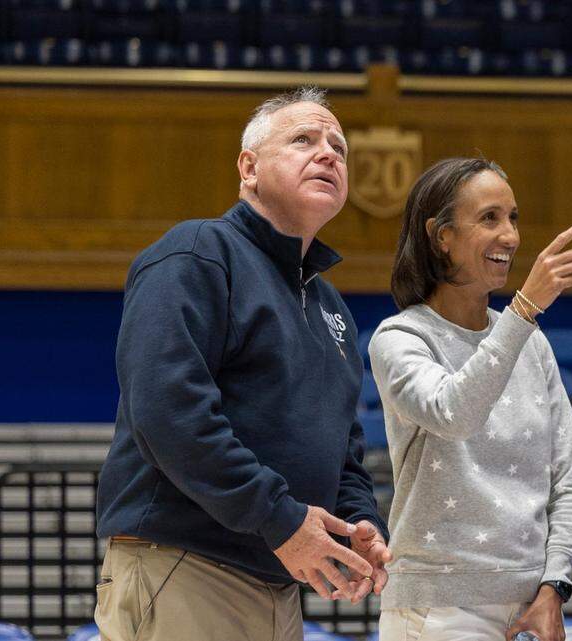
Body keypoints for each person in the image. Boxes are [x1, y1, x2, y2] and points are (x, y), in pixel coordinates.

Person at [95, 87, 390, 641]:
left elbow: (343, 448)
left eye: (339, 148)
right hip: (185, 566)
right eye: (304, 139)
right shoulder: (197, 253)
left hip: (277, 582)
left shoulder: (332, 308)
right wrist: (281, 518)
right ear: (249, 168)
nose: (329, 154)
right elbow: (169, 413)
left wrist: (358, 524)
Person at [368, 157, 572, 641]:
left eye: (513, 218)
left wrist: (554, 586)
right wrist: (524, 310)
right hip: (438, 609)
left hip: (532, 605)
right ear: (440, 235)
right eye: (489, 218)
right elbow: (454, 412)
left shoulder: (531, 340)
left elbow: (567, 478)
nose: (510, 235)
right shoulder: (400, 337)